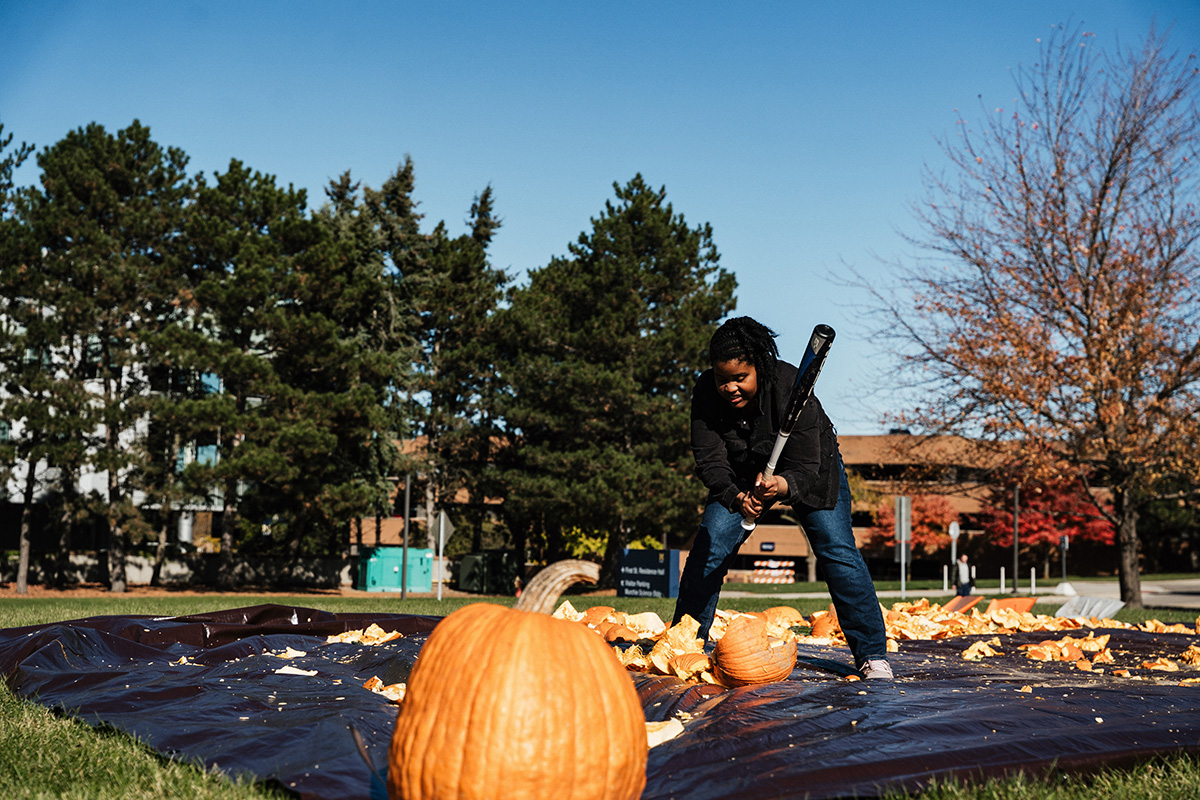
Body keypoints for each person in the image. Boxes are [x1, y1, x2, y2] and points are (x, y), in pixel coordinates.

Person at [672, 316, 893, 680]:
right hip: (741, 473)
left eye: (739, 378)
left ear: (758, 366)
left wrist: (781, 486)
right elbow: (709, 458)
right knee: (708, 548)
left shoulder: (791, 384)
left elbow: (807, 465)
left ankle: (872, 655)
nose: (729, 388)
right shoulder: (704, 393)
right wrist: (736, 496)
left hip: (812, 465)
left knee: (837, 550)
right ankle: (685, 645)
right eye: (721, 378)